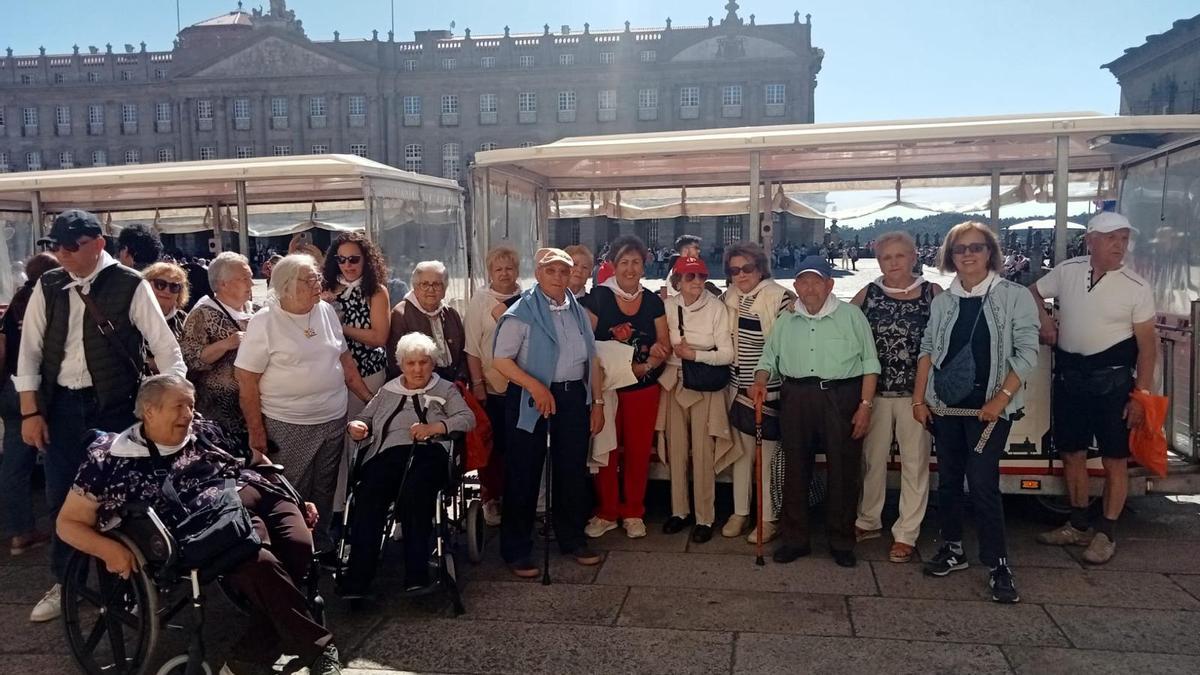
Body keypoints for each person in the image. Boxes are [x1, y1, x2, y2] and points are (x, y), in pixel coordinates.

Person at [55, 375, 343, 675]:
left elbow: (254, 458)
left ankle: (252, 650)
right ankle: (319, 648)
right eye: (178, 406)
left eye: (190, 406)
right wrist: (108, 549)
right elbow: (68, 523)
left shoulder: (204, 430)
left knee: (298, 546)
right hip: (211, 520)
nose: (188, 414)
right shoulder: (109, 456)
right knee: (259, 564)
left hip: (254, 491)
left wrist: (295, 498)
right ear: (149, 411)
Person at [16, 209, 185, 623]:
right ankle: (67, 582)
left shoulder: (129, 284)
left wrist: (176, 401)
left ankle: (129, 581)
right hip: (61, 407)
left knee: (122, 499)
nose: (62, 253)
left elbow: (165, 347)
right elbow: (30, 353)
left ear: (98, 244)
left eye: (71, 246)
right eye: (55, 245)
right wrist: (30, 413)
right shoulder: (48, 284)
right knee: (61, 498)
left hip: (114, 407)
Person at [913, 221, 1039, 604]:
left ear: (990, 253)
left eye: (976, 247)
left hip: (989, 409)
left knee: (983, 483)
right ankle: (952, 547)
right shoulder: (943, 299)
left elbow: (1027, 352)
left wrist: (1000, 400)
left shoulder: (1014, 295)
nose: (968, 254)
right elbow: (928, 350)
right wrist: (920, 399)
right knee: (949, 481)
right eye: (959, 249)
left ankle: (998, 562)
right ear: (950, 256)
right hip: (947, 406)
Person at [1032, 212, 1156, 564]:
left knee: (1115, 458)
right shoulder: (1068, 271)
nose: (1120, 245)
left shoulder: (1137, 287)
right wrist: (1046, 324)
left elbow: (1148, 347)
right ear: (1091, 240)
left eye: (1123, 239)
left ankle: (1106, 533)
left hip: (1113, 380)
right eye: (1111, 238)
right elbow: (1033, 293)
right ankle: (1078, 523)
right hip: (1071, 375)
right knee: (1072, 452)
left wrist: (1141, 396)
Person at [235, 254, 373, 552]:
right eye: (309, 280)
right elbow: (246, 379)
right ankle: (291, 549)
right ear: (285, 287)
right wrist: (255, 430)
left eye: (317, 279)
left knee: (324, 488)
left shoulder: (325, 311)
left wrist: (371, 401)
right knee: (290, 490)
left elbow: (345, 362)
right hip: (287, 423)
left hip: (333, 418)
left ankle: (321, 544)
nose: (318, 285)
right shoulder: (265, 321)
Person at [749, 256, 879, 568]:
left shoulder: (851, 316)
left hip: (841, 396)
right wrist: (760, 379)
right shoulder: (786, 320)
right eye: (803, 281)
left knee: (844, 469)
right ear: (795, 286)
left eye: (816, 281)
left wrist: (864, 407)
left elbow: (870, 364)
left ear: (829, 284)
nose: (809, 288)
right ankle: (795, 540)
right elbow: (768, 359)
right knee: (795, 469)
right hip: (796, 396)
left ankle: (841, 541)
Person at [492, 248, 604, 577]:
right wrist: (536, 387)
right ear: (539, 274)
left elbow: (592, 359)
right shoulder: (521, 310)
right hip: (531, 396)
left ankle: (572, 539)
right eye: (551, 271)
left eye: (564, 271)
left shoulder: (577, 310)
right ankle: (516, 549)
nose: (558, 277)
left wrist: (597, 403)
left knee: (571, 469)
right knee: (524, 471)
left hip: (572, 397)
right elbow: (501, 359)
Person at [342, 333, 476, 595]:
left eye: (424, 362)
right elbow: (365, 417)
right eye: (411, 363)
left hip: (429, 453)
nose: (417, 369)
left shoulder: (444, 388)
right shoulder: (387, 390)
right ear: (401, 365)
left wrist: (436, 427)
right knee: (368, 494)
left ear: (433, 363)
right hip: (388, 453)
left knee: (417, 491)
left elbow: (467, 418)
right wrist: (356, 425)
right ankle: (357, 576)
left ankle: (417, 572)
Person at [850, 232, 941, 564]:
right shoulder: (869, 294)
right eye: (887, 257)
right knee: (872, 460)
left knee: (915, 464)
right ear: (878, 261)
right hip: (874, 391)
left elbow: (942, 343)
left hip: (916, 394)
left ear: (914, 257)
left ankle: (906, 533)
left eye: (900, 256)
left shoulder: (932, 293)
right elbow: (845, 328)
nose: (893, 263)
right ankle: (868, 520)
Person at [584, 235, 669, 540]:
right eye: (624, 262)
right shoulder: (598, 298)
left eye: (636, 262)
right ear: (613, 265)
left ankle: (633, 511)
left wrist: (658, 355)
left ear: (644, 266)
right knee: (606, 451)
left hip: (643, 388)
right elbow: (586, 345)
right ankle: (607, 511)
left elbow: (664, 342)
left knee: (637, 451)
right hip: (607, 389)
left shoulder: (653, 301)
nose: (630, 268)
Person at [720, 243, 795, 542]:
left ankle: (768, 517)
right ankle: (740, 512)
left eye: (747, 268)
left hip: (768, 390)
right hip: (736, 387)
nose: (741, 275)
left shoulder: (780, 297)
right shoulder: (730, 297)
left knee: (767, 458)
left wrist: (767, 381)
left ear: (761, 268)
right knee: (741, 455)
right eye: (734, 270)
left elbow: (786, 347)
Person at [659, 256, 735, 543]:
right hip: (674, 382)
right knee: (677, 449)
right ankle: (679, 511)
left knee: (703, 453)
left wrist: (696, 355)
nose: (697, 282)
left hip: (703, 385)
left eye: (701, 276)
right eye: (690, 277)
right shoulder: (668, 306)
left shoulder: (717, 308)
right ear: (678, 280)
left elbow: (727, 354)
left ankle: (705, 516)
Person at [321, 234, 392, 514]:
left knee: (365, 439)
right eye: (341, 259)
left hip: (368, 373)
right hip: (334, 376)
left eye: (354, 259)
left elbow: (378, 337)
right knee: (338, 445)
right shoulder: (326, 290)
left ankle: (368, 505)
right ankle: (338, 511)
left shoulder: (376, 291)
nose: (347, 265)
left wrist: (338, 327)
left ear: (366, 260)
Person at [0, 253, 60, 557]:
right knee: (57, 459)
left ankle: (19, 532)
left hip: (10, 388)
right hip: (40, 389)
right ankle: (65, 527)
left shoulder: (15, 304)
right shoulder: (50, 302)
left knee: (14, 464)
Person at [464, 246, 522, 527]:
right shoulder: (480, 301)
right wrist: (478, 385)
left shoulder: (527, 298)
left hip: (521, 386)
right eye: (498, 269)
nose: (504, 273)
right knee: (492, 447)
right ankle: (491, 499)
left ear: (517, 271)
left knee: (517, 446)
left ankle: (516, 498)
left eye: (509, 268)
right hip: (491, 386)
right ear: (490, 272)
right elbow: (472, 347)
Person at [180, 252, 256, 442]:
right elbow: (189, 359)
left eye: (251, 278)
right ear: (223, 284)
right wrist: (226, 344)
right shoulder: (202, 314)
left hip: (253, 405)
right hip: (219, 414)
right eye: (244, 278)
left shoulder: (253, 309)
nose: (251, 284)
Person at [387, 261, 467, 383]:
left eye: (437, 284)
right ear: (415, 287)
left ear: (445, 288)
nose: (431, 289)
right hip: (417, 385)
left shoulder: (451, 314)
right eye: (424, 284)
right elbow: (395, 362)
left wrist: (461, 378)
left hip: (452, 384)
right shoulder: (400, 315)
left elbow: (462, 353)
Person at [142, 261, 190, 340]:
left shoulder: (185, 320)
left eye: (174, 287)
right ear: (146, 284)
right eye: (160, 284)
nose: (167, 291)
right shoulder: (134, 316)